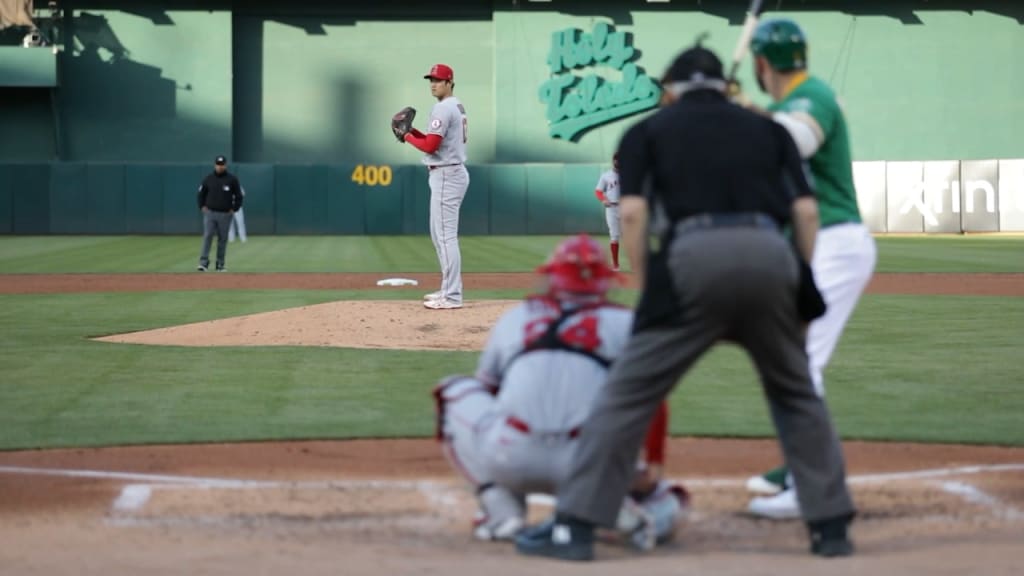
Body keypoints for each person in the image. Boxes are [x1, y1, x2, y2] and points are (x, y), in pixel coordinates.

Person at [515, 42, 856, 562]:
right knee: (796, 393)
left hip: (692, 259)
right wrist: (802, 279)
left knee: (627, 396)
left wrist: (653, 287)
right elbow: (807, 215)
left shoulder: (646, 131)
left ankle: (575, 528)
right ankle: (830, 528)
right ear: (724, 86)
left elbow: (632, 216)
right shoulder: (768, 129)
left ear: (670, 90)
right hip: (770, 256)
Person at [433, 234, 688, 550]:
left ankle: (502, 511)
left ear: (552, 277)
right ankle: (621, 513)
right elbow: (652, 399)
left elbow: (489, 392)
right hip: (587, 466)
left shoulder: (517, 317)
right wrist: (653, 463)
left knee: (454, 390)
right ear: (605, 282)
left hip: (510, 456)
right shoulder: (626, 323)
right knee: (668, 498)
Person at [741, 18, 877, 519]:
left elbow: (795, 139)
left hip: (835, 240)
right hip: (811, 244)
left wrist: (741, 114)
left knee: (801, 364)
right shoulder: (783, 104)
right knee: (788, 360)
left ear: (761, 62)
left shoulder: (811, 95)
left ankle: (808, 485)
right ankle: (798, 463)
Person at [400, 63, 469, 310]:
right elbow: (433, 139)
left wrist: (407, 136)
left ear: (450, 82)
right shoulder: (455, 105)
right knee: (438, 235)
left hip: (446, 174)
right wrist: (412, 131)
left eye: (439, 80)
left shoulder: (443, 107)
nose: (433, 83)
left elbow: (430, 147)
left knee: (446, 237)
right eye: (431, 79)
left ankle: (451, 296)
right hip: (449, 172)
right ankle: (448, 290)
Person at [196, 155, 244, 272]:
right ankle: (204, 263)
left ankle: (220, 264)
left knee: (222, 239)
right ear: (215, 165)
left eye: (222, 165)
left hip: (225, 214)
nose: (220, 167)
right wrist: (202, 206)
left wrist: (234, 208)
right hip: (210, 213)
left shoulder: (232, 179)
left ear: (225, 165)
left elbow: (239, 196)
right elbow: (201, 194)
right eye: (218, 164)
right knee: (208, 236)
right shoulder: (209, 179)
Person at [593, 155, 622, 271]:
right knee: (614, 236)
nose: (618, 161)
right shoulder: (606, 176)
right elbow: (598, 191)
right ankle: (615, 264)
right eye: (617, 159)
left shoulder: (630, 173)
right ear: (613, 161)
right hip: (612, 208)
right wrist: (603, 199)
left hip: (626, 207)